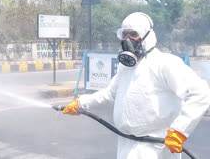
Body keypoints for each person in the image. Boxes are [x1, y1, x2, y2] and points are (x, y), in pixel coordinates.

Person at [63, 12, 210, 159]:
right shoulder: (126, 68)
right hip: (126, 144)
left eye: (133, 34)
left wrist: (179, 131)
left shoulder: (164, 63)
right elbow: (110, 94)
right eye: (125, 35)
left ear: (147, 36)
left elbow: (201, 93)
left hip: (155, 147)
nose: (128, 40)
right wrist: (81, 103)